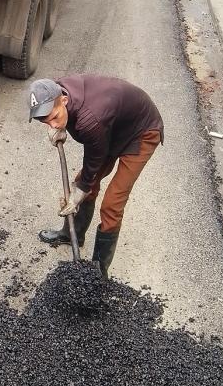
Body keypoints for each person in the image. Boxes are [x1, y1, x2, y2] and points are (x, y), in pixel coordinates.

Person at [28, 75, 164, 278]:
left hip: (142, 132)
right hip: (111, 127)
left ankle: (99, 271)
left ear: (64, 100)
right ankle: (72, 234)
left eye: (55, 118)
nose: (53, 125)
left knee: (111, 202)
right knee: (83, 183)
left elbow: (95, 158)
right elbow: (93, 152)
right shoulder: (53, 90)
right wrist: (60, 125)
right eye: (47, 122)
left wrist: (82, 188)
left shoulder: (90, 119)